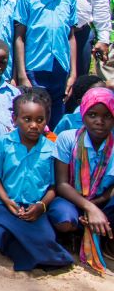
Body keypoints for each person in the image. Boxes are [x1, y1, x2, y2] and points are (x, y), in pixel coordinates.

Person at [0, 90, 73, 271]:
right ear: (15, 119)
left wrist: (41, 206)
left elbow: (53, 186)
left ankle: (34, 252)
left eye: (39, 120)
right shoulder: (2, 143)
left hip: (35, 206)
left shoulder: (51, 149)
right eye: (27, 119)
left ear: (46, 121)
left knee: (45, 237)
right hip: (5, 203)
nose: (34, 125)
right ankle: (30, 253)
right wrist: (6, 201)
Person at [49, 87, 114, 273]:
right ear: (83, 114)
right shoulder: (67, 138)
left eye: (107, 116)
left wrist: (97, 205)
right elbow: (61, 184)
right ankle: (71, 237)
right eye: (92, 114)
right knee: (64, 219)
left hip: (102, 200)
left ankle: (106, 242)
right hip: (71, 198)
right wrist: (89, 208)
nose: (99, 121)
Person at [14, 0, 78, 130]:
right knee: (35, 113)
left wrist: (72, 73)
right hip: (35, 65)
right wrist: (22, 74)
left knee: (57, 113)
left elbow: (71, 36)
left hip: (60, 67)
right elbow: (19, 37)